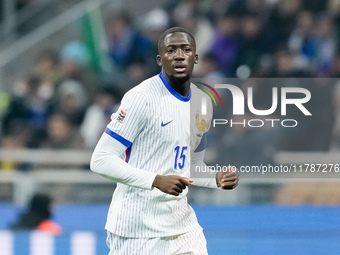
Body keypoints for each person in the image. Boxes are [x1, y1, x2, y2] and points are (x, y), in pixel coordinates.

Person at [90, 27, 239, 255]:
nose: (179, 55)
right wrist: (155, 180)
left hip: (181, 225)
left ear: (195, 58)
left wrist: (216, 179)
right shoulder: (141, 98)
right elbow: (100, 159)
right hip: (137, 229)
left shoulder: (202, 103)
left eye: (186, 50)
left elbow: (189, 165)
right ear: (160, 59)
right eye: (171, 50)